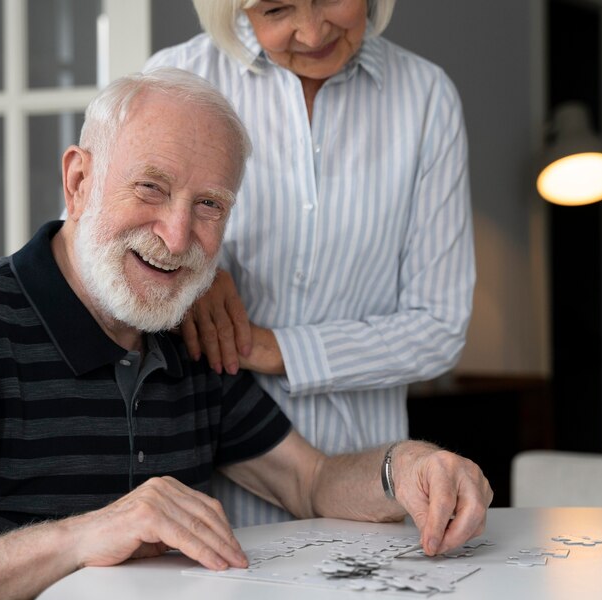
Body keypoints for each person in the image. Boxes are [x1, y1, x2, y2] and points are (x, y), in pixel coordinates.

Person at [0, 68, 490, 600]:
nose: (176, 237)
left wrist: (405, 468)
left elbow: (310, 483)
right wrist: (81, 538)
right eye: (150, 188)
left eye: (208, 206)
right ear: (79, 181)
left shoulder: (181, 331)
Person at [145, 0, 476, 527]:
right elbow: (107, 250)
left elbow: (438, 327)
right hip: (212, 493)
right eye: (277, 9)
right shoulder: (176, 81)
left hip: (373, 492)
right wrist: (188, 271)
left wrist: (271, 348)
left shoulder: (426, 97)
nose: (312, 29)